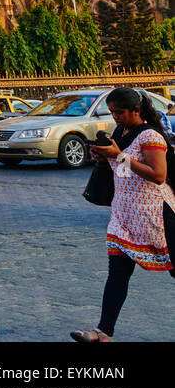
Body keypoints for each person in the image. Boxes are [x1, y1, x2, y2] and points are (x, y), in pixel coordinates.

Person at [72, 88, 175, 342]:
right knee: (117, 275)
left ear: (136, 111)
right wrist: (101, 156)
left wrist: (119, 156)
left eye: (119, 112)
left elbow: (158, 175)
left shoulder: (150, 136)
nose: (115, 117)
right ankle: (103, 332)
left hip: (155, 216)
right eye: (112, 112)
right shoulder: (120, 133)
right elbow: (120, 167)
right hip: (123, 215)